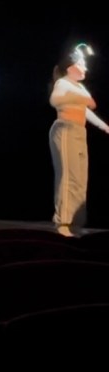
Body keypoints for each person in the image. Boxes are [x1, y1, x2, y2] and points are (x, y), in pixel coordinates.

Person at [49, 43, 109, 236]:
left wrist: (105, 126)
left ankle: (76, 221)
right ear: (70, 68)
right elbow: (55, 100)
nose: (85, 68)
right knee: (68, 176)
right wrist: (82, 98)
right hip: (65, 128)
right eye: (81, 64)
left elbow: (87, 110)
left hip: (79, 131)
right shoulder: (63, 83)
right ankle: (63, 222)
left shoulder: (80, 87)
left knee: (80, 179)